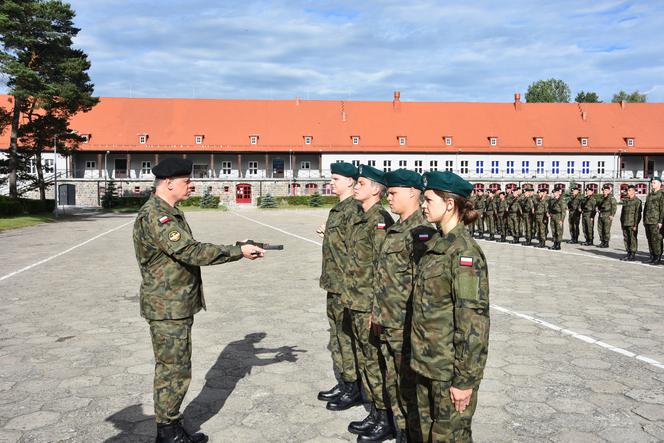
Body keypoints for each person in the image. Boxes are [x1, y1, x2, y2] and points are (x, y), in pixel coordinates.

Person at [132, 157, 265, 443]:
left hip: (174, 304)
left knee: (175, 367)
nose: (191, 185)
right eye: (186, 181)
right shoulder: (158, 215)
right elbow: (190, 252)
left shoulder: (168, 210)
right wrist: (237, 250)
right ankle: (167, 431)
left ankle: (170, 424)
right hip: (167, 306)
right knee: (173, 369)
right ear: (169, 183)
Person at [411, 171, 490, 442]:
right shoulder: (437, 244)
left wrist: (464, 380)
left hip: (448, 372)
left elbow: (473, 322)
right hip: (426, 363)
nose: (423, 204)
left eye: (429, 199)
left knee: (450, 437)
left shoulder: (463, 252)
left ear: (449, 204)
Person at [330, 165, 395, 441]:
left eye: (362, 183)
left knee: (374, 361)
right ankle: (376, 412)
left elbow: (383, 269)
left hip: (368, 303)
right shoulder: (363, 218)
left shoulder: (379, 220)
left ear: (376, 190)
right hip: (354, 300)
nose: (356, 186)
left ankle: (385, 417)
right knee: (366, 359)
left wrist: (376, 309)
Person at [372, 169, 436, 443]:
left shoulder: (421, 232)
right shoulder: (397, 228)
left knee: (409, 391)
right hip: (388, 322)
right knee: (394, 385)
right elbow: (384, 277)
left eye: (393, 193)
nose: (388, 198)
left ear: (412, 192)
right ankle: (402, 433)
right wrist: (376, 313)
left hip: (406, 327)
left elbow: (424, 288)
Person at [317, 162, 362, 405]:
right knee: (336, 336)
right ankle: (345, 381)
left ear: (349, 182)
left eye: (335, 179)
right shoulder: (340, 208)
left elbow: (355, 252)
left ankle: (353, 386)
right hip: (333, 285)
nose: (331, 182)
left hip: (345, 287)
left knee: (346, 337)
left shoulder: (354, 210)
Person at [643, 176, 664, 264]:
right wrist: (644, 219)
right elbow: (646, 208)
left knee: (657, 239)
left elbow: (662, 209)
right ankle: (652, 256)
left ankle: (658, 257)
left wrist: (660, 221)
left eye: (654, 183)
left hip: (656, 221)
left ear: (659, 184)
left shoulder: (661, 195)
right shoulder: (650, 195)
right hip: (648, 221)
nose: (652, 184)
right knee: (650, 239)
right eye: (652, 183)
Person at [620, 185, 642, 261]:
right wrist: (621, 222)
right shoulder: (626, 200)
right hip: (625, 222)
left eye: (629, 191)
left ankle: (632, 254)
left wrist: (635, 224)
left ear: (633, 191)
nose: (628, 192)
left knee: (632, 239)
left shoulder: (637, 201)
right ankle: (628, 252)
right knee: (626, 238)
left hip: (632, 224)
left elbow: (637, 214)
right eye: (627, 191)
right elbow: (623, 212)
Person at [547, 186, 566, 250]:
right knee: (553, 230)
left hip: (558, 216)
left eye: (555, 192)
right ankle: (555, 243)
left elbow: (563, 211)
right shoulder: (552, 200)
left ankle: (558, 244)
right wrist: (548, 212)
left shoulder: (562, 200)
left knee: (559, 231)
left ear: (558, 193)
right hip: (552, 216)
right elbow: (549, 208)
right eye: (553, 193)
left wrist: (562, 220)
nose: (554, 194)